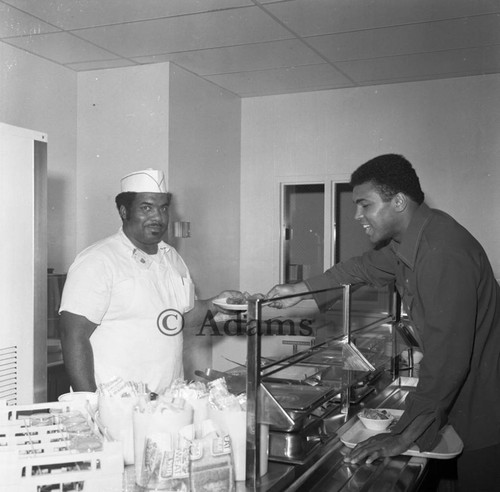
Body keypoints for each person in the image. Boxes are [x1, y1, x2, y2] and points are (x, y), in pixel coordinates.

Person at [267, 154, 500, 491]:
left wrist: (400, 437)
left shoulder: (441, 252)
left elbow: (447, 364)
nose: (356, 215)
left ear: (399, 201)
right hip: (464, 406)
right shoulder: (414, 239)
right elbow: (361, 268)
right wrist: (299, 289)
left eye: (365, 204)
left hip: (486, 412)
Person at [59, 168, 238, 394]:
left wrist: (217, 303)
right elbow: (72, 335)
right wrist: (91, 403)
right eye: (146, 208)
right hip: (116, 404)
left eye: (163, 208)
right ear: (124, 211)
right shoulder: (99, 260)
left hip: (167, 400)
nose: (158, 217)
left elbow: (183, 315)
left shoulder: (171, 256)